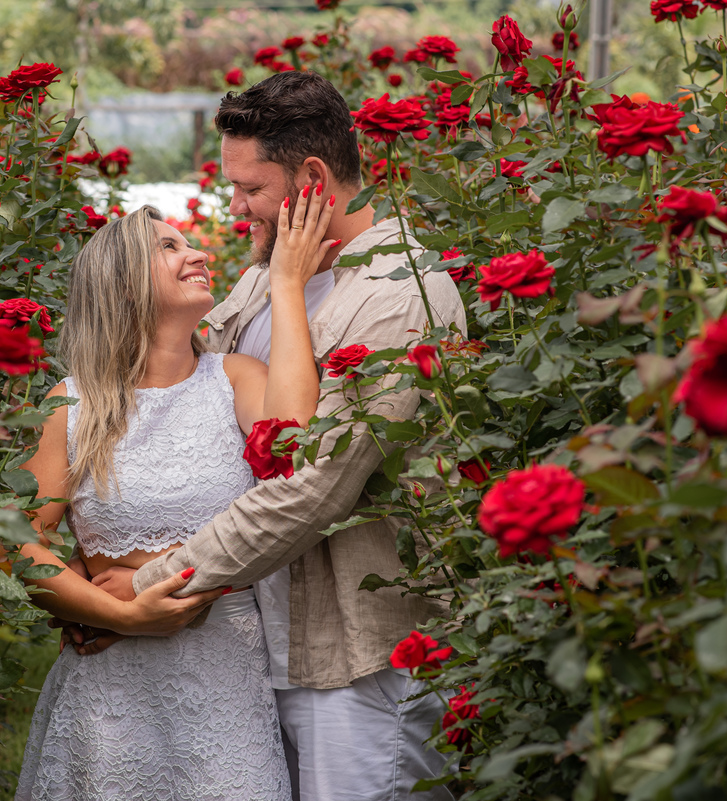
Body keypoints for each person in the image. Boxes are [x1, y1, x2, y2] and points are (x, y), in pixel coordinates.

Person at [83, 71, 468, 801]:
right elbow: (188, 406)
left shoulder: (396, 296)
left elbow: (312, 487)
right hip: (255, 650)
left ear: (312, 178)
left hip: (357, 662)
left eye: (250, 188)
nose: (235, 208)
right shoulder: (268, 277)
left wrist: (148, 584)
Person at [13, 186, 340, 800]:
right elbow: (16, 544)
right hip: (110, 692)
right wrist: (121, 615)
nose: (198, 254)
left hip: (227, 682)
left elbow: (296, 443)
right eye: (169, 247)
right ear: (122, 283)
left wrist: (286, 283)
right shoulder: (74, 403)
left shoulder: (235, 379)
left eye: (189, 244)